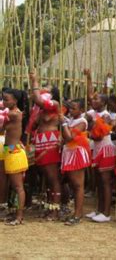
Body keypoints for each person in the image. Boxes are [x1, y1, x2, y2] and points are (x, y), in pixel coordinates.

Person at [29, 70, 62, 220]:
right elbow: (34, 125)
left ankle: (55, 210)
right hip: (41, 142)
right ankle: (50, 207)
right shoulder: (42, 110)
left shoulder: (55, 104)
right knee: (46, 177)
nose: (43, 91)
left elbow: (37, 99)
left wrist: (34, 80)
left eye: (46, 90)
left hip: (50, 142)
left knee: (53, 177)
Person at [84, 69, 116, 223]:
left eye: (97, 100)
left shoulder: (106, 116)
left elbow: (100, 135)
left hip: (105, 148)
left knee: (105, 181)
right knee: (97, 181)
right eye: (93, 100)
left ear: (103, 102)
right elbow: (90, 94)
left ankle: (106, 212)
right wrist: (89, 77)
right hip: (96, 149)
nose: (93, 101)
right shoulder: (92, 112)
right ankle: (99, 209)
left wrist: (89, 134)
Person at [60, 99, 91, 225]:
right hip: (69, 152)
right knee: (73, 184)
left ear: (82, 110)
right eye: (70, 108)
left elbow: (69, 137)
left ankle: (78, 214)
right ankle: (77, 212)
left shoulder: (82, 122)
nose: (71, 111)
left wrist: (63, 123)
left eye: (74, 109)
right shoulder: (71, 120)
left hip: (76, 154)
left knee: (78, 186)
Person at [1, 88, 29, 225]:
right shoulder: (11, 113)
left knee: (18, 187)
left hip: (14, 152)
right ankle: (15, 213)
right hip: (10, 150)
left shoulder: (14, 114)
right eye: (3, 99)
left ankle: (19, 216)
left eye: (6, 99)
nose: (4, 101)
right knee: (14, 185)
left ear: (15, 101)